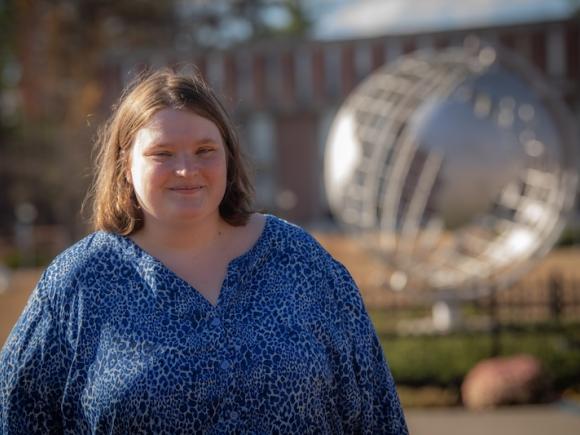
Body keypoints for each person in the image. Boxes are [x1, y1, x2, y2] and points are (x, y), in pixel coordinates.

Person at [0, 68, 408, 434]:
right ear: (126, 164)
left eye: (205, 151)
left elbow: (377, 411)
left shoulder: (300, 260)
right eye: (162, 153)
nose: (186, 170)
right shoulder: (78, 283)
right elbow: (13, 416)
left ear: (228, 155)